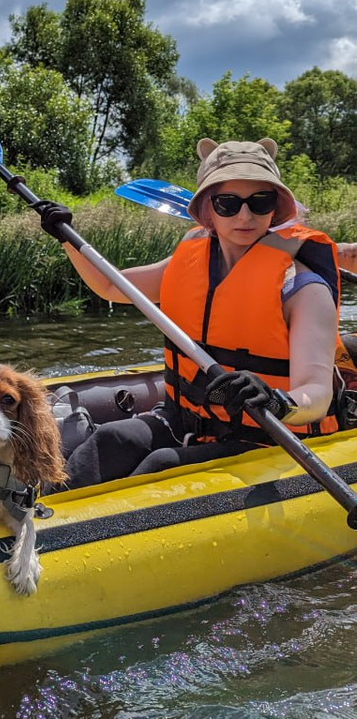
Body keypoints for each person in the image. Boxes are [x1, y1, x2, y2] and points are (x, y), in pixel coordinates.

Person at [39, 138, 347, 488]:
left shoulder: (304, 290)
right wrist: (66, 238)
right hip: (185, 420)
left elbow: (317, 394)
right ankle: (38, 517)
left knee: (162, 463)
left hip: (266, 438)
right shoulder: (189, 261)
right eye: (227, 203)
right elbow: (111, 287)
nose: (245, 215)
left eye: (259, 202)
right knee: (110, 442)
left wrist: (277, 399)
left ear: (275, 208)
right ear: (208, 211)